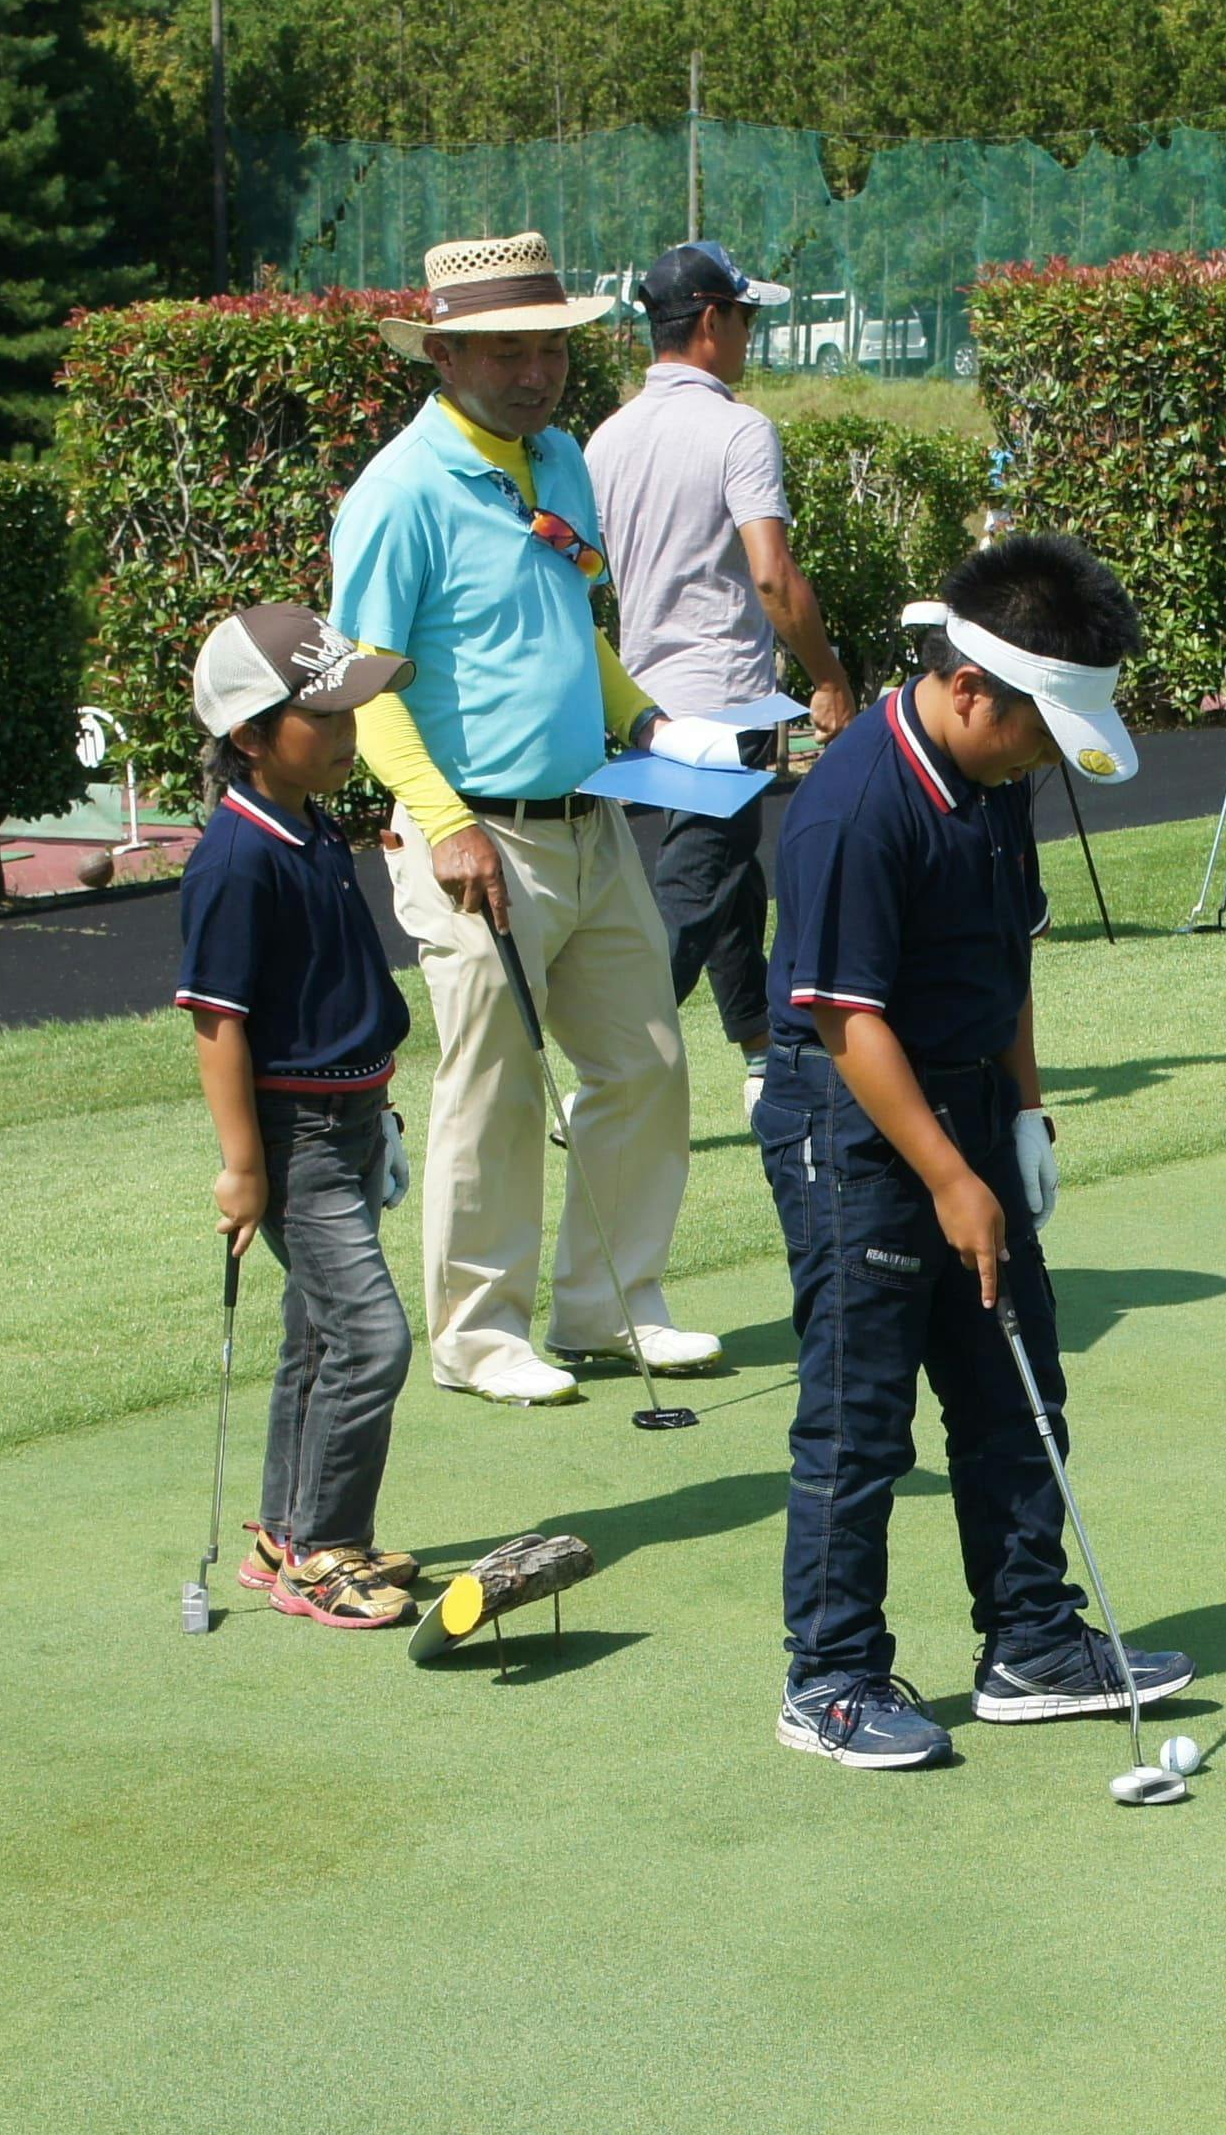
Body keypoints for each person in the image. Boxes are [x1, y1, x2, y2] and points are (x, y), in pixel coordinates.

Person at [755, 531, 1191, 1770]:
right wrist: (949, 1178)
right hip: (851, 1122)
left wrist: (1022, 1117)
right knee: (859, 1417)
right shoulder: (854, 806)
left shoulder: (995, 782)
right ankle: (828, 1676)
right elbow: (843, 1019)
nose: (1047, 754)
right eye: (1038, 729)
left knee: (1014, 1385)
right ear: (966, 688)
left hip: (966, 1103)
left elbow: (1008, 964)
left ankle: (1030, 1641)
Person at [329, 228, 759, 1409]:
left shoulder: (561, 459)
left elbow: (573, 632)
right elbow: (365, 690)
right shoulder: (399, 494)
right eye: (506, 353)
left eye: (550, 351)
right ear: (445, 357)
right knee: (497, 1085)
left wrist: (649, 722)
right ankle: (477, 1334)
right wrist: (442, 820)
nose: (535, 374)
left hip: (591, 821)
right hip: (473, 836)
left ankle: (606, 1302)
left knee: (645, 1062)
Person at [175, 604, 421, 1629]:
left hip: (352, 1118)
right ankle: (324, 1551)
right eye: (321, 715)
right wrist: (243, 1166)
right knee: (372, 1341)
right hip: (299, 1139)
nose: (346, 730)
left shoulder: (314, 827)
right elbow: (216, 1023)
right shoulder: (236, 859)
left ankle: (284, 1528)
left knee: (320, 1333)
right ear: (249, 735)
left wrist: (381, 1107)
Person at [583, 241, 864, 1105]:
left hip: (644, 702)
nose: (750, 334)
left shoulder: (608, 438)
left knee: (731, 876)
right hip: (727, 701)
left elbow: (588, 577)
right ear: (712, 320)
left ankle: (761, 1051)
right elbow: (773, 576)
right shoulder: (742, 429)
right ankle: (609, 1075)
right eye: (745, 317)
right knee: (696, 886)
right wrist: (829, 676)